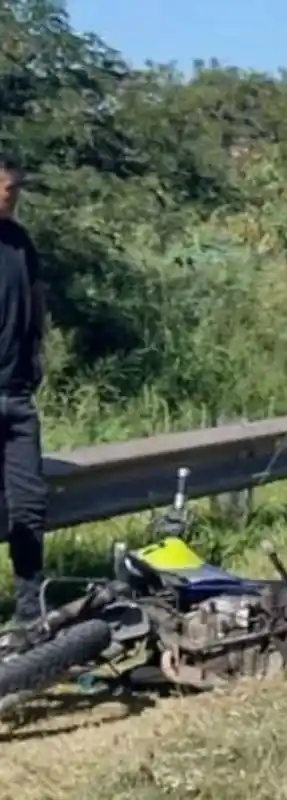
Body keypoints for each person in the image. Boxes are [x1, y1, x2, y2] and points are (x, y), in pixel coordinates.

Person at [0, 158, 48, 627]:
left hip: (16, 397)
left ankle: (31, 611)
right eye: (7, 188)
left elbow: (35, 305)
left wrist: (36, 361)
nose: (13, 196)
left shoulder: (20, 242)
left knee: (30, 504)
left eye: (16, 191)